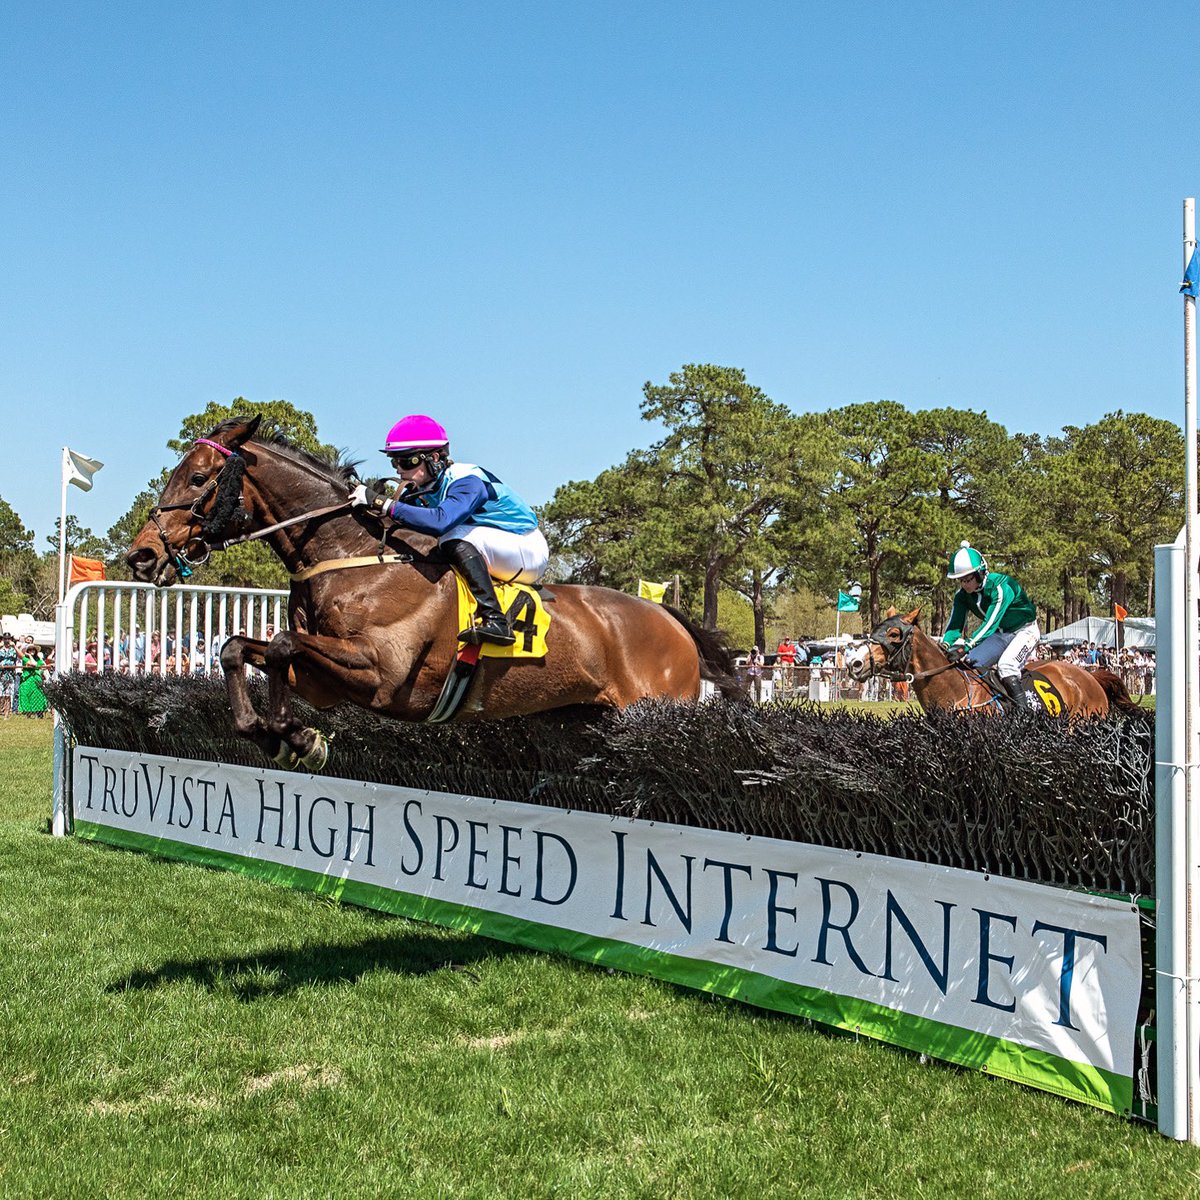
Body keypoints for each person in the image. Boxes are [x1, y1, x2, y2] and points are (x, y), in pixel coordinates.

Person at [350, 414, 548, 646]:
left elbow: (440, 521)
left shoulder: (467, 479)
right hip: (492, 546)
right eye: (394, 462)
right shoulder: (422, 488)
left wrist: (381, 503)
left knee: (449, 536)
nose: (399, 469)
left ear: (434, 458)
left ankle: (496, 620)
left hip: (526, 547)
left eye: (406, 461)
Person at [941, 542, 1040, 709]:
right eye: (960, 581)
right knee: (971, 663)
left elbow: (990, 624)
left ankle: (1025, 715)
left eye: (968, 579)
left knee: (1007, 666)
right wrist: (945, 644)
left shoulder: (1001, 586)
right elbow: (955, 625)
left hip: (1025, 630)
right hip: (1001, 634)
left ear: (980, 573)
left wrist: (967, 646)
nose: (964, 584)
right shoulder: (962, 596)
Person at [0, 633, 18, 719]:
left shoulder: (13, 649)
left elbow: (22, 657)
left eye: (8, 639)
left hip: (10, 674)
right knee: (1, 695)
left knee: (8, 695)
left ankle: (6, 714)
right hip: (1, 674)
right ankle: (1, 711)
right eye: (5, 639)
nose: (7, 640)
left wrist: (15, 646)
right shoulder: (0, 649)